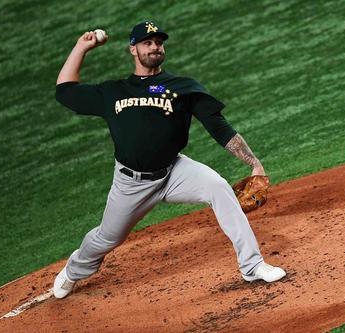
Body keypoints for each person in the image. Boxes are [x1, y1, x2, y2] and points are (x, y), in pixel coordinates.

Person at [52, 21, 285, 299]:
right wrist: (81, 47)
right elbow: (64, 92)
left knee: (218, 187)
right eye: (147, 42)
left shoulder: (182, 88)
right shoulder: (114, 91)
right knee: (107, 237)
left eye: (158, 42)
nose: (154, 47)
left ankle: (252, 265)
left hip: (174, 171)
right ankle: (73, 271)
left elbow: (218, 126)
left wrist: (253, 162)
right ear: (133, 49)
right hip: (131, 183)